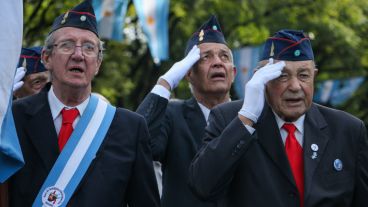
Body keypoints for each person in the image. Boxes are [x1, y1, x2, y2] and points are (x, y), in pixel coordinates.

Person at [189, 29, 368, 207]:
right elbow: (202, 186)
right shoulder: (229, 119)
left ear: (314, 76)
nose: (295, 86)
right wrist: (246, 120)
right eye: (282, 75)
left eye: (304, 75)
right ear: (262, 79)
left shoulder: (348, 130)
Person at [8, 1, 160, 206]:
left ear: (98, 63)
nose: (78, 55)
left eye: (89, 48)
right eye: (67, 45)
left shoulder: (130, 128)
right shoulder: (12, 118)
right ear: (46, 57)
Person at [137, 15, 236, 207]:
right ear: (188, 73)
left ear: (233, 73)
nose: (217, 62)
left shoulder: (248, 117)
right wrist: (165, 83)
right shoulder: (173, 114)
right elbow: (137, 142)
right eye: (205, 57)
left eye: (224, 56)